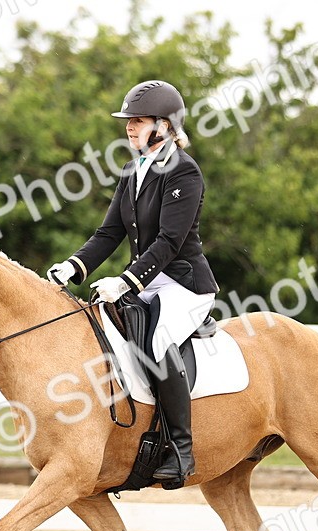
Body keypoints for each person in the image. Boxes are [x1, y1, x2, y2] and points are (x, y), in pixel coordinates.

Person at [47, 79, 218, 486]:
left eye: (137, 121)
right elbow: (109, 233)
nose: (128, 127)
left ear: (163, 125)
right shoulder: (132, 170)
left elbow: (169, 242)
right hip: (145, 282)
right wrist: (73, 266)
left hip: (185, 285)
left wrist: (125, 280)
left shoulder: (184, 171)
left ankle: (181, 450)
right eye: (128, 121)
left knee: (157, 342)